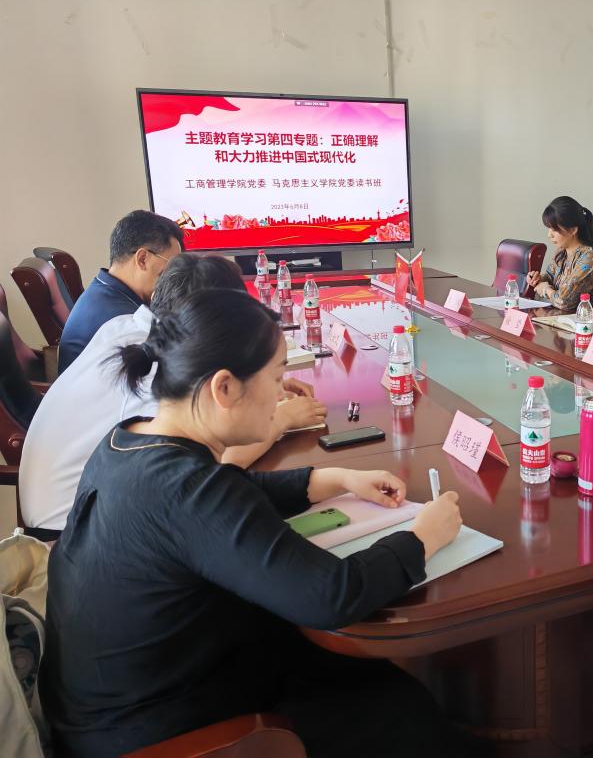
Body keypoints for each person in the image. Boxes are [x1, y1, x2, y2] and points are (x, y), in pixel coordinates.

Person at [40, 288, 471, 757]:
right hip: (159, 734)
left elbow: (227, 499)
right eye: (278, 376)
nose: (283, 393)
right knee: (403, 709)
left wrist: (332, 480)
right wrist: (422, 538)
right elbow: (332, 594)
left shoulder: (130, 442)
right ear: (224, 388)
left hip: (108, 709)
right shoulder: (188, 490)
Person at [20, 254, 325, 534]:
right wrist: (281, 420)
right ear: (211, 321)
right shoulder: (159, 372)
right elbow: (214, 467)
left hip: (75, 505)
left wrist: (263, 385)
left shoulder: (125, 327)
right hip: (72, 529)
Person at [58, 210, 183, 373]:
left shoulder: (103, 291)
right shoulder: (123, 321)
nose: (173, 275)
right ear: (142, 259)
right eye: (172, 265)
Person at [526, 196, 593, 310]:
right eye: (549, 229)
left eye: (554, 230)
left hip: (580, 319)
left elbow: (564, 301)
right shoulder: (562, 251)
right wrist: (538, 279)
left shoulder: (590, 257)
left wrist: (546, 289)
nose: (549, 235)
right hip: (555, 317)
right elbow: (550, 277)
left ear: (573, 230)